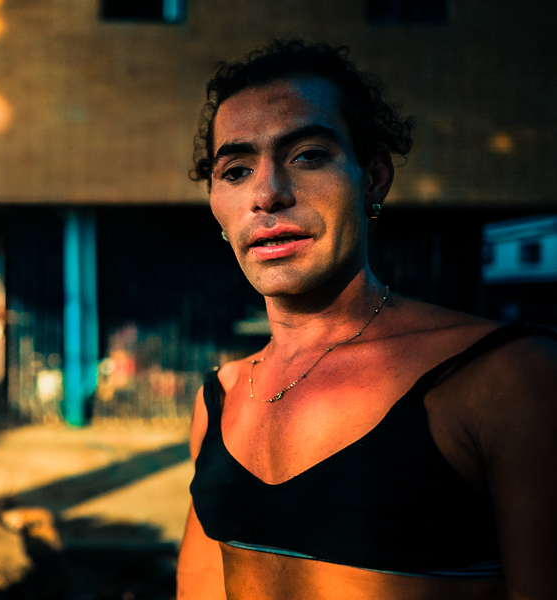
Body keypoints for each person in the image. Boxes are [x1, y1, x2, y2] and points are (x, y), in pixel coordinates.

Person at [176, 39, 557, 600]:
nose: (268, 194)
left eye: (307, 155)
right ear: (215, 204)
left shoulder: (507, 377)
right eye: (235, 170)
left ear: (373, 178)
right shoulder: (220, 398)